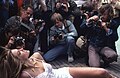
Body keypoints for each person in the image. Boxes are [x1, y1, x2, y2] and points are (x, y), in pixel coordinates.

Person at [0, 46, 116, 78]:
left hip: (63, 72)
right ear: (18, 62)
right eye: (19, 53)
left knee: (102, 72)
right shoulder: (25, 75)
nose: (21, 49)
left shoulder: (36, 56)